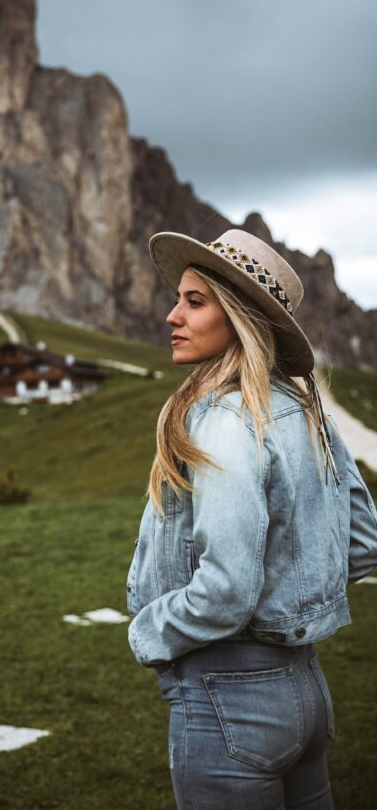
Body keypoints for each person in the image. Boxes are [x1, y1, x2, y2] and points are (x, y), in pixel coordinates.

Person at [126, 228, 377, 810]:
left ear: (237, 316)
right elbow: (363, 544)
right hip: (306, 691)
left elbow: (228, 590)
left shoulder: (222, 420)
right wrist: (293, 596)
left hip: (228, 699)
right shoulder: (302, 410)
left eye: (194, 301)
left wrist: (147, 632)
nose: (172, 315)